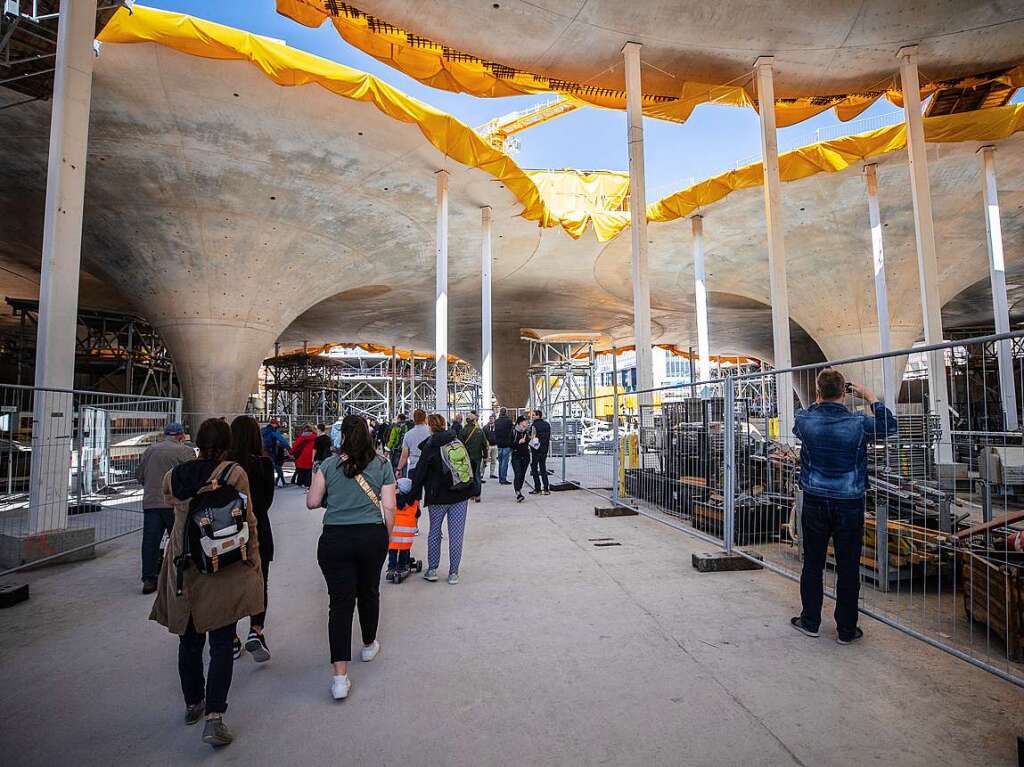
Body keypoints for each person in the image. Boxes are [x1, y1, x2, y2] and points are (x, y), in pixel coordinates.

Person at [151, 418, 263, 747]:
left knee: (188, 640)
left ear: (196, 442)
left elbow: (169, 500)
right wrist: (253, 561)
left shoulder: (176, 476)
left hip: (184, 565)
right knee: (221, 643)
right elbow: (248, 518)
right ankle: (215, 717)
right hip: (221, 564)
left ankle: (192, 703)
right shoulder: (234, 473)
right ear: (226, 443)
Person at [790, 368, 896, 644]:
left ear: (818, 392)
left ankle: (810, 620)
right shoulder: (859, 423)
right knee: (848, 567)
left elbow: (801, 420)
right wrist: (870, 397)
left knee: (812, 563)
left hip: (814, 499)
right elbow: (889, 426)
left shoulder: (805, 420)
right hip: (849, 502)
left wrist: (819, 399)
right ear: (844, 393)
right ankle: (846, 630)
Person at [306, 415, 396, 701]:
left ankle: (340, 678)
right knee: (369, 591)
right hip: (371, 536)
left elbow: (311, 501)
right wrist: (388, 536)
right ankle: (368, 644)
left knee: (340, 603)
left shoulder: (329, 465)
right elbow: (390, 506)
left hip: (335, 538)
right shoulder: (382, 464)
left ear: (342, 436)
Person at [401, 413, 476, 584]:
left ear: (430, 426)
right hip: (460, 494)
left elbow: (420, 473)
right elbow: (470, 463)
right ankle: (453, 573)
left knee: (435, 532)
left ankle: (433, 569)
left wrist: (411, 496)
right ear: (444, 424)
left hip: (438, 497)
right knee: (456, 534)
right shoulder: (456, 440)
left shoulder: (430, 444)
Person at [228, 415, 276, 663]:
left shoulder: (224, 465)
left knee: (229, 583)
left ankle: (230, 637)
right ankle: (256, 630)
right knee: (259, 581)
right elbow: (267, 502)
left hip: (227, 533)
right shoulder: (263, 464)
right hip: (257, 531)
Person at [136, 422, 195, 594]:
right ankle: (181, 576)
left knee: (150, 542)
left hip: (152, 502)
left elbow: (139, 475)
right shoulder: (185, 452)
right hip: (175, 504)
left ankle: (149, 579)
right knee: (180, 540)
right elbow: (193, 477)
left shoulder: (150, 450)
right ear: (180, 435)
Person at [461, 412, 488, 503]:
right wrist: (485, 456)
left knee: (469, 476)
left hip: (466, 457)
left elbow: (460, 445)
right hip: (477, 456)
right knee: (477, 476)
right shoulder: (479, 431)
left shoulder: (463, 431)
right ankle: (477, 495)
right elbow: (484, 445)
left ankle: (471, 494)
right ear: (474, 421)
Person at [396, 408, 431, 479]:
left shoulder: (408, 434)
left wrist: (398, 469)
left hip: (414, 468)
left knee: (414, 489)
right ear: (425, 419)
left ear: (414, 420)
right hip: (429, 468)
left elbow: (404, 456)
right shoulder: (431, 432)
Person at [261, 419, 290, 487]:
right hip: (271, 451)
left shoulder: (263, 430)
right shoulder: (273, 431)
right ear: (274, 424)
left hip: (262, 451)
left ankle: (264, 482)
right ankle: (272, 483)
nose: (278, 426)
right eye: (277, 424)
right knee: (274, 467)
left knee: (264, 468)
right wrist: (289, 448)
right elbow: (282, 440)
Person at [529, 409, 552, 495]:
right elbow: (548, 437)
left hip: (536, 449)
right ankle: (546, 488)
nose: (532, 417)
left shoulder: (533, 426)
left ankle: (537, 487)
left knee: (534, 468)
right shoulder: (547, 425)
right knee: (543, 468)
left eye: (534, 415)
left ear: (538, 416)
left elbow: (533, 437)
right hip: (544, 450)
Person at [510, 415, 531, 502]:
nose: (526, 423)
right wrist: (518, 442)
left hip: (526, 456)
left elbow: (529, 443)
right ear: (520, 422)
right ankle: (518, 492)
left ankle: (519, 489)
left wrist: (533, 440)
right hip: (516, 456)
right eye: (525, 421)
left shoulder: (527, 431)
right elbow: (510, 444)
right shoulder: (513, 432)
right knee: (518, 474)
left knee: (522, 475)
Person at [290, 423, 317, 488]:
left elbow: (295, 446)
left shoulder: (302, 437)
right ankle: (308, 483)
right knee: (309, 471)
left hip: (301, 456)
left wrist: (291, 452)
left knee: (301, 470)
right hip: (312, 455)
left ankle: (300, 482)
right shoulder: (316, 437)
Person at [494, 407, 514, 485]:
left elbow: (495, 433)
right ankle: (503, 478)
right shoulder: (509, 421)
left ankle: (500, 477)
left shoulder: (497, 421)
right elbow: (511, 432)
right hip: (506, 444)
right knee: (505, 462)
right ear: (506, 412)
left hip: (499, 444)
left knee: (500, 461)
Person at [483, 414, 498, 479]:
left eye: (492, 418)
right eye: (490, 418)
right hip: (488, 446)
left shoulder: (497, 427)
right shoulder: (485, 427)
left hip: (495, 446)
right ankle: (481, 474)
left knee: (493, 460)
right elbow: (483, 436)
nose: (491, 420)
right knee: (485, 460)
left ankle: (492, 473)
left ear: (494, 419)